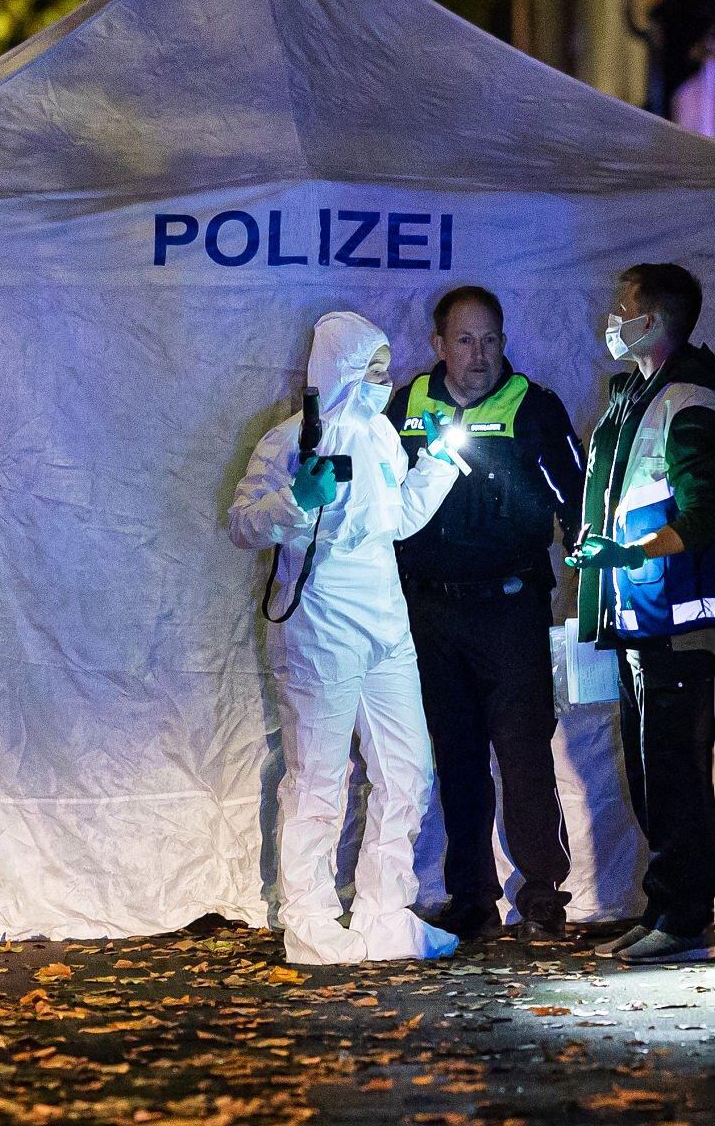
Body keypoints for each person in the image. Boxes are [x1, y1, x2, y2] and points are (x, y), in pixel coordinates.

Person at [230, 311, 463, 966]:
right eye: (372, 370)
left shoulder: (382, 436)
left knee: (407, 769)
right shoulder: (289, 440)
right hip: (319, 625)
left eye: (387, 370)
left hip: (385, 621)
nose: (384, 383)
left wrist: (437, 464)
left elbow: (399, 520)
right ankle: (308, 919)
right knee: (318, 778)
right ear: (340, 369)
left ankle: (386, 913)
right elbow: (243, 524)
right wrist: (297, 500)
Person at [386, 286, 586, 943]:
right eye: (466, 340)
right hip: (432, 611)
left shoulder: (534, 406)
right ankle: (471, 898)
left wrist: (587, 569)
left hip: (510, 611)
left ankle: (544, 896)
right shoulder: (408, 406)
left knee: (523, 753)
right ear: (438, 345)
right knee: (458, 758)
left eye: (491, 339)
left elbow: (577, 498)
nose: (480, 355)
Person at [568, 263, 715, 966]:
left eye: (623, 308)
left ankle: (684, 920)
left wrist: (626, 551)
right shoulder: (637, 397)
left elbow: (705, 514)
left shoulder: (690, 402)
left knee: (674, 771)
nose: (612, 319)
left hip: (677, 622)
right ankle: (665, 910)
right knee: (651, 773)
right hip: (641, 616)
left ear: (653, 320)